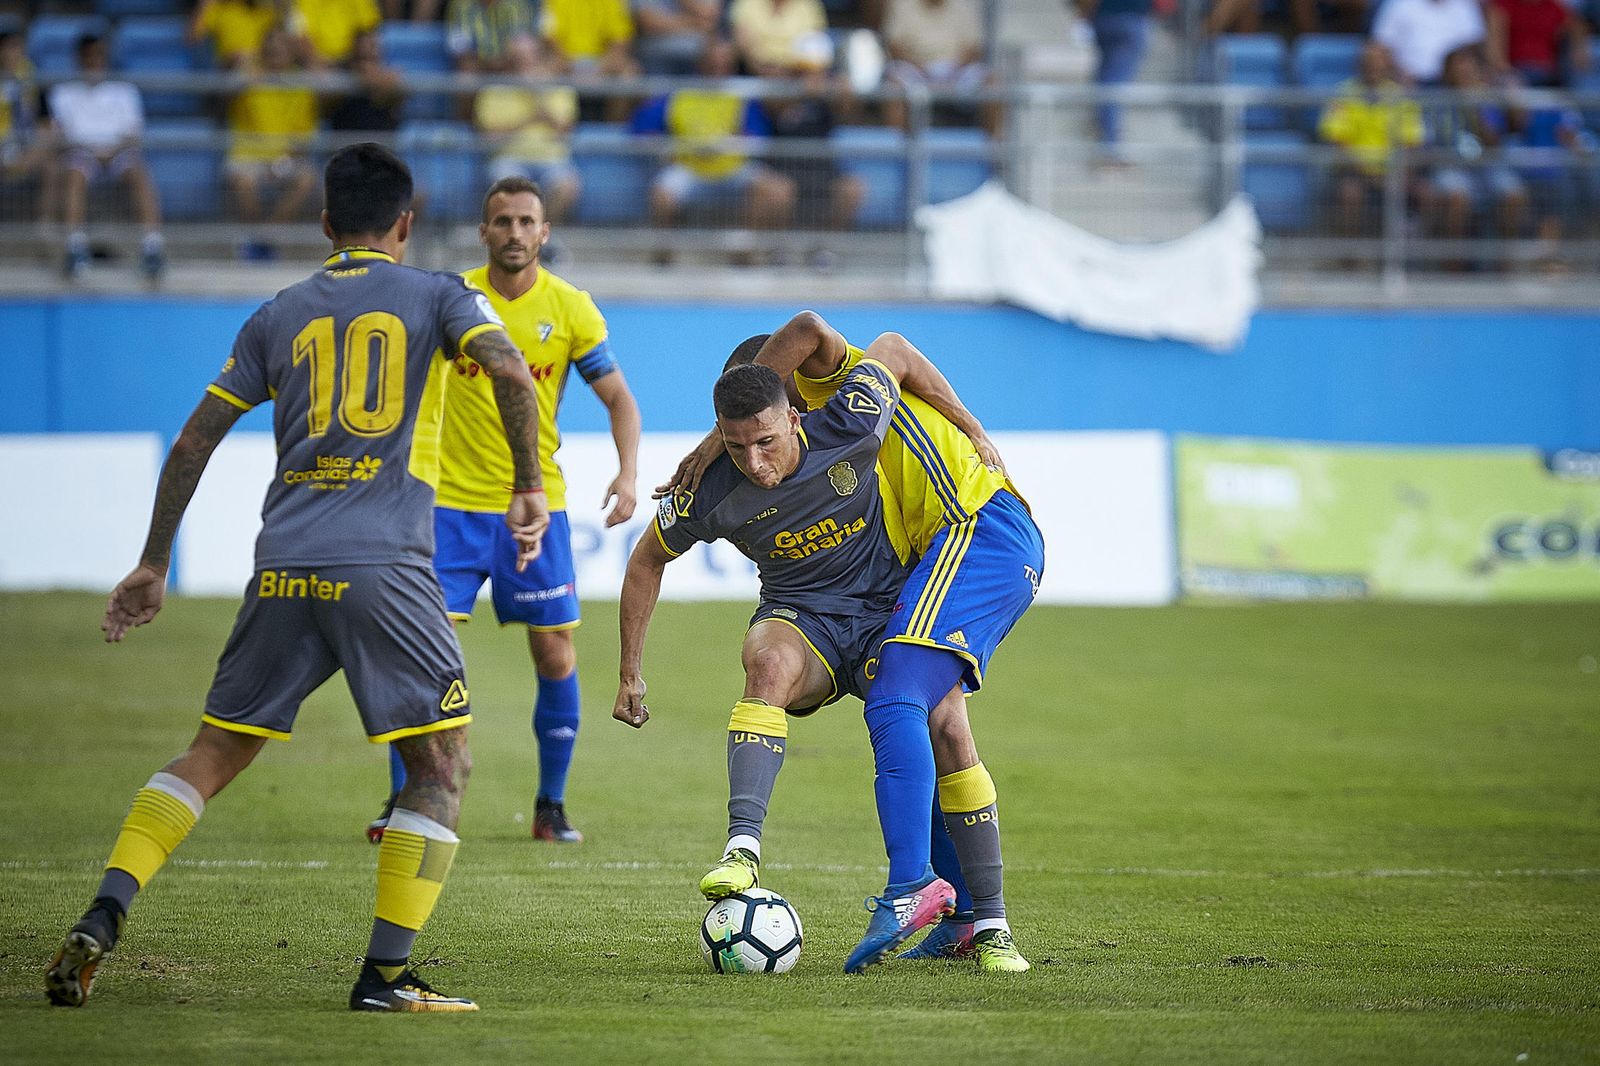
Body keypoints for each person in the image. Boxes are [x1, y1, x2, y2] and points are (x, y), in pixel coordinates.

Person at [43, 142, 548, 1013]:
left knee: (214, 750)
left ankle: (104, 911)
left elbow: (195, 439)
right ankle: (385, 978)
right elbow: (507, 367)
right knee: (441, 763)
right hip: (386, 562)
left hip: (282, 561)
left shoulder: (277, 314)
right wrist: (528, 486)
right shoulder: (438, 294)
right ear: (406, 224)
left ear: (324, 225)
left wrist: (154, 560)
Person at [646, 312, 1040, 973]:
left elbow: (874, 341)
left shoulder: (844, 393)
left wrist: (973, 428)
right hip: (935, 552)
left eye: (762, 427)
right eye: (734, 438)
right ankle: (980, 924)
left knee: (893, 701)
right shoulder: (818, 442)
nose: (751, 449)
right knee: (939, 721)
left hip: (976, 527)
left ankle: (911, 885)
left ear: (789, 400)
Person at [371, 175, 639, 845]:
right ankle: (406, 795)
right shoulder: (451, 300)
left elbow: (619, 399)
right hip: (448, 509)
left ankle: (550, 807)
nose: (515, 232)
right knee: (417, 653)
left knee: (554, 653)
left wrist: (628, 471)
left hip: (534, 508)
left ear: (544, 232)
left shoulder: (571, 309)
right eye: (503, 222)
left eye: (527, 221)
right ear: (483, 232)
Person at [631, 35, 796, 260]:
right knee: (662, 193)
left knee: (778, 190)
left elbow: (759, 137)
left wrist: (732, 144)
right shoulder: (680, 93)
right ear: (701, 64)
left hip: (732, 168)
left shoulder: (742, 93)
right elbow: (640, 127)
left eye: (725, 65)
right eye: (713, 64)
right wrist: (667, 148)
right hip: (689, 168)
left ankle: (746, 252)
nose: (719, 70)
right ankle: (663, 256)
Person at [47, 34, 164, 281]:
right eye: (89, 56)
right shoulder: (63, 92)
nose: (95, 62)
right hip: (81, 153)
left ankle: (152, 247)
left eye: (99, 56)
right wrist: (92, 150)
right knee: (74, 175)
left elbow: (134, 135)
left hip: (118, 153)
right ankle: (75, 248)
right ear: (79, 58)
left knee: (139, 174)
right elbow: (62, 135)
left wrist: (110, 151)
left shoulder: (124, 91)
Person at [1424, 45, 1527, 263]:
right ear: (1448, 71)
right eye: (1458, 67)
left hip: (1488, 165)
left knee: (1513, 193)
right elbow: (1430, 145)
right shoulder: (1435, 100)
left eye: (1469, 67)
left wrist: (1473, 108)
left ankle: (1504, 263)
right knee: (1458, 196)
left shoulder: (1487, 98)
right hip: (1449, 165)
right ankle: (1454, 264)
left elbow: (1494, 142)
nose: (1464, 72)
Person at [226, 28, 320, 259]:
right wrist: (242, 75)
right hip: (247, 156)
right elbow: (220, 100)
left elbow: (303, 139)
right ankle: (257, 240)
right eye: (271, 47)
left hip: (284, 159)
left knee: (306, 179)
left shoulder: (300, 84)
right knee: (243, 180)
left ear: (290, 52)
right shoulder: (248, 76)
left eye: (281, 47)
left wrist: (281, 161)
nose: (275, 51)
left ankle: (265, 238)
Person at [1317, 41, 1424, 242]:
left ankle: (1427, 261)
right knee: (1350, 193)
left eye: (1378, 62)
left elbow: (1411, 143)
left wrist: (1394, 173)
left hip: (1394, 171)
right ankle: (1351, 258)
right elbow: (1339, 142)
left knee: (1426, 194)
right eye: (1368, 61)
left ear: (1388, 65)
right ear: (1359, 64)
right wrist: (1371, 174)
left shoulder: (1401, 96)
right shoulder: (1344, 94)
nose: (1373, 67)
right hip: (1355, 172)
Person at [473, 40, 582, 223]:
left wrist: (538, 97)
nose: (524, 65)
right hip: (508, 159)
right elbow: (489, 137)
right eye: (517, 59)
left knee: (567, 185)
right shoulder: (493, 89)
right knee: (507, 186)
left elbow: (566, 132)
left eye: (529, 58)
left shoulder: (559, 87)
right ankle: (522, 240)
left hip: (552, 160)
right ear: (508, 61)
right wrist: (528, 119)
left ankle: (543, 238)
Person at [880, 0, 996, 134]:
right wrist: (921, 68)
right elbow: (894, 47)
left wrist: (954, 71)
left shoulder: (962, 7)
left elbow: (974, 49)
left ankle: (993, 149)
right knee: (894, 83)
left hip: (957, 70)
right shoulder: (902, 5)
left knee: (992, 83)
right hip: (915, 68)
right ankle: (897, 147)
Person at [1076, 0, 1154, 166]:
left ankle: (1104, 133)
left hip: (1105, 19)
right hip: (1128, 19)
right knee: (1113, 84)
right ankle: (1110, 147)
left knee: (1107, 79)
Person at [1371, 0, 1486, 86]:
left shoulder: (1465, 5)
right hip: (1408, 83)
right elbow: (1380, 46)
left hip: (1454, 85)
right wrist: (1398, 73)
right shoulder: (1400, 4)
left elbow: (1474, 47)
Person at [1486, 0, 1590, 87]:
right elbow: (1495, 52)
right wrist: (1506, 72)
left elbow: (1577, 26)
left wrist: (1579, 49)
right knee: (1512, 87)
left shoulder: (1553, 6)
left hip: (1549, 72)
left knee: (1586, 71)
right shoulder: (1503, 6)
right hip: (1517, 71)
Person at [729, 0, 829, 77]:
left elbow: (816, 49)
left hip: (798, 75)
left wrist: (790, 70)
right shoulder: (746, 3)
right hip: (752, 72)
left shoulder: (810, 5)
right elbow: (742, 43)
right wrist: (763, 69)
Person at [445, 0, 540, 74]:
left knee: (525, 56)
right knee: (466, 73)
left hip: (511, 66)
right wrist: (489, 63)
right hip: (478, 67)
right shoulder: (460, 5)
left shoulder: (517, 5)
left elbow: (522, 43)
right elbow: (461, 49)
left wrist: (503, 62)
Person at [633, 0, 725, 76]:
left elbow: (709, 15)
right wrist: (694, 23)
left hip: (700, 53)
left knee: (720, 56)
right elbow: (649, 23)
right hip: (656, 54)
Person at [289, 0, 383, 68]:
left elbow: (369, 32)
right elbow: (299, 35)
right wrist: (318, 63)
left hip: (353, 63)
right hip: (316, 65)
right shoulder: (301, 2)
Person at [190, 0, 282, 69]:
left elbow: (288, 37)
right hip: (229, 69)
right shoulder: (221, 10)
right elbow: (193, 37)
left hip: (262, 67)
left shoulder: (267, 13)